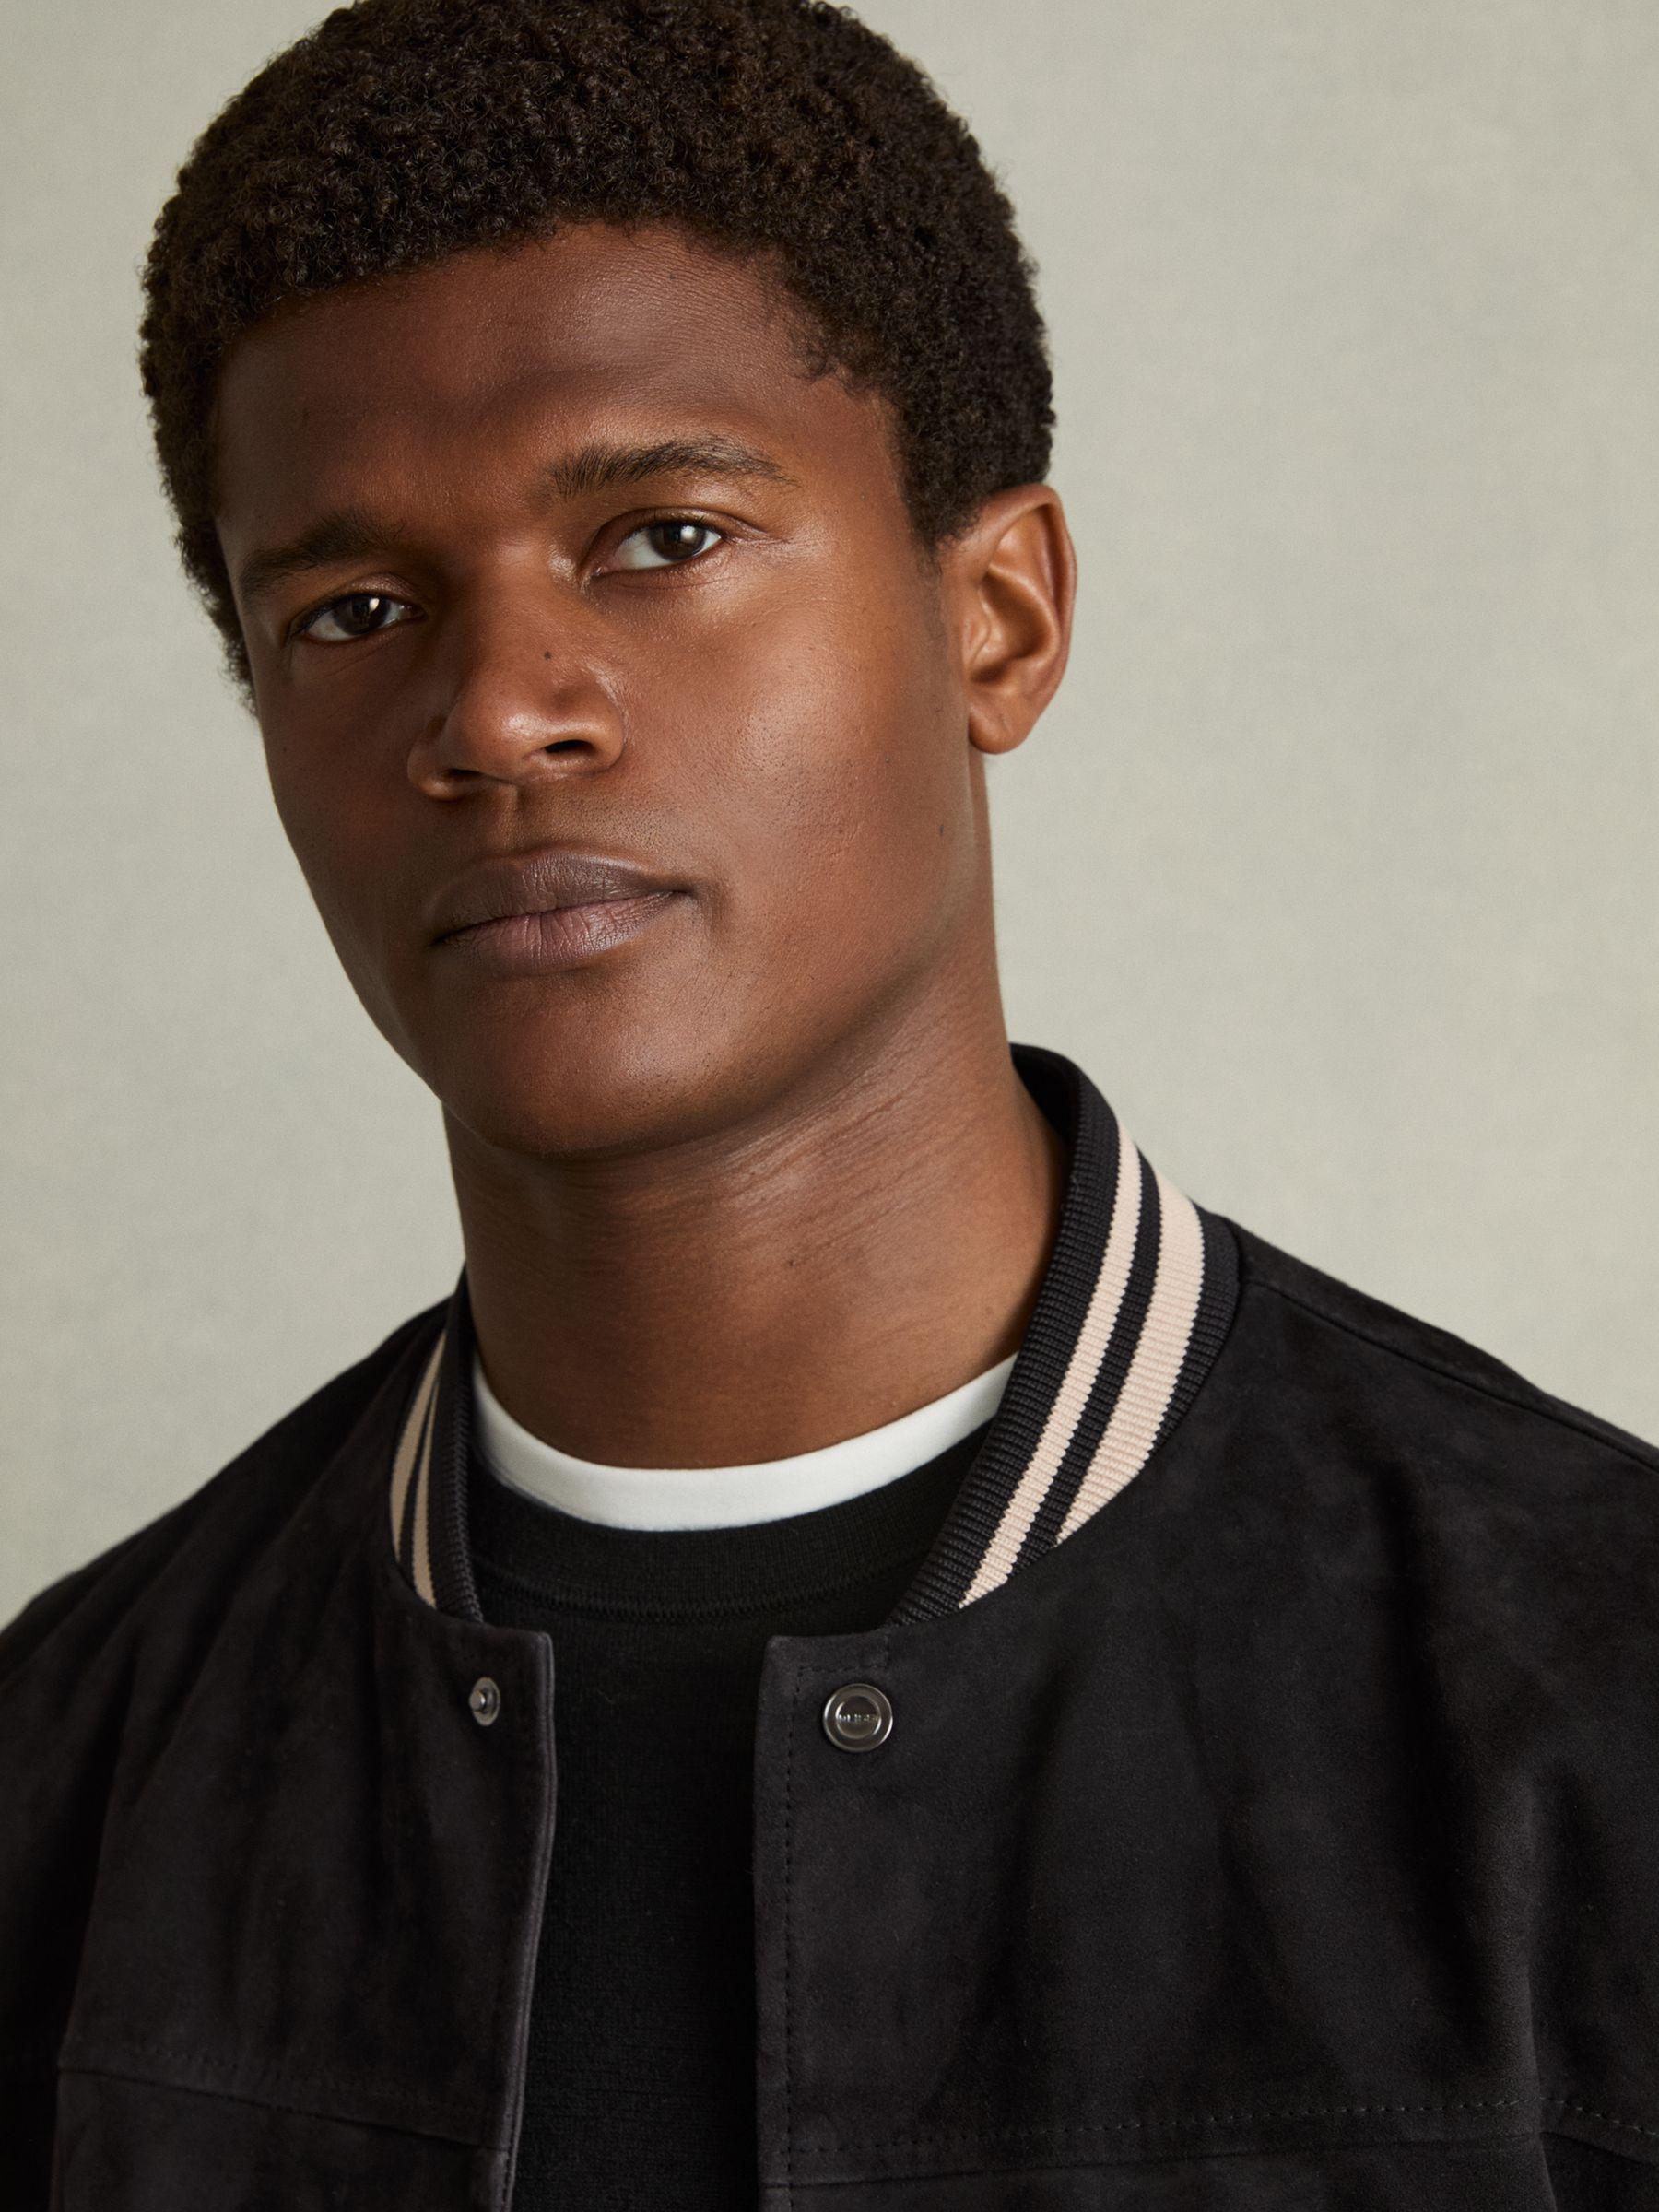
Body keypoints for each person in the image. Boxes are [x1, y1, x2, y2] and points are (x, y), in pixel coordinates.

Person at [5, 1, 1657, 2205]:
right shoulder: (68, 1776)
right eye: (356, 607)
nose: (495, 713)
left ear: (998, 620)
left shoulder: (1594, 1708)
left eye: (661, 538)